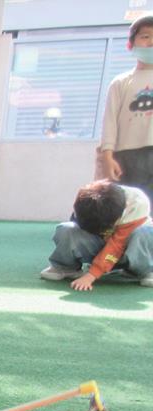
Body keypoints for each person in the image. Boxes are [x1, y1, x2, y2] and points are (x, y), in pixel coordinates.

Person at [40, 181, 153, 290]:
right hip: (101, 249)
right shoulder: (86, 199)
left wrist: (91, 275)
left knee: (142, 233)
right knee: (67, 229)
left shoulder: (137, 203)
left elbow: (117, 245)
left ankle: (145, 271)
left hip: (129, 251)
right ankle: (66, 267)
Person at [101, 15, 153, 204]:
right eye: (145, 36)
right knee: (131, 206)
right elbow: (110, 122)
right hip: (129, 155)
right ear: (130, 44)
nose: (151, 42)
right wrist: (108, 156)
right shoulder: (121, 82)